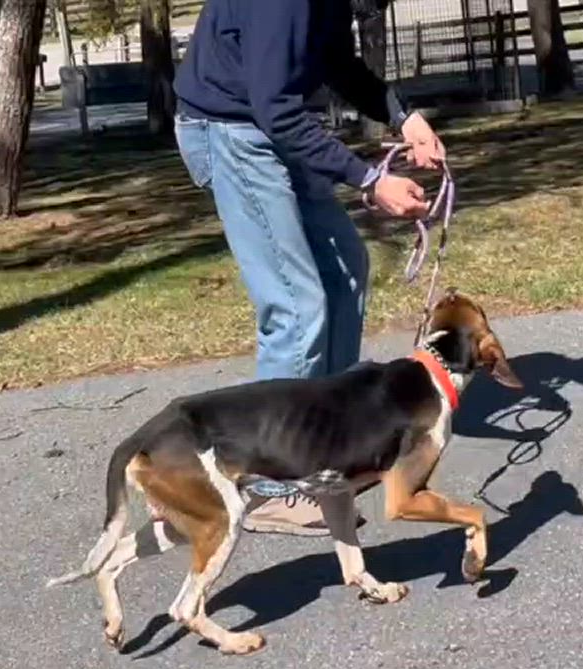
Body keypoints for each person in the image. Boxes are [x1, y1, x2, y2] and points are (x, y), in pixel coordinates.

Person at [171, 0, 447, 536]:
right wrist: (370, 181)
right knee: (297, 307)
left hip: (268, 122)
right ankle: (274, 484)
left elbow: (336, 62)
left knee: (346, 269)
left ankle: (333, 449)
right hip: (231, 130)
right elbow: (275, 108)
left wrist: (403, 115)